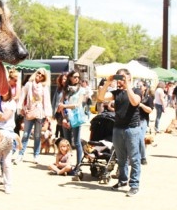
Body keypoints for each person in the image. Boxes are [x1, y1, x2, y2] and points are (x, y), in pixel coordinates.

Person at [97, 69, 142, 197]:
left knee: (134, 158)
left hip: (132, 128)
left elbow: (135, 101)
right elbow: (100, 98)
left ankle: (134, 184)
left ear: (129, 77)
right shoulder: (116, 93)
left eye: (122, 78)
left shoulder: (137, 91)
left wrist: (127, 85)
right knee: (120, 158)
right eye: (119, 78)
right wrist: (108, 82)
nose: (120, 81)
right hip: (118, 128)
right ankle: (122, 181)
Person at [17, 68, 52, 164]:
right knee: (25, 134)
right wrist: (20, 109)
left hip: (40, 114)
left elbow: (47, 102)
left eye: (42, 75)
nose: (40, 75)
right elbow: (22, 96)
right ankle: (20, 154)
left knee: (37, 135)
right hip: (29, 111)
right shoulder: (29, 84)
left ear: (44, 78)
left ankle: (36, 155)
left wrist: (48, 115)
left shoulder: (44, 87)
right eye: (39, 73)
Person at [59, 70, 86, 176]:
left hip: (76, 118)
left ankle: (78, 165)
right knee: (67, 143)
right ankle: (67, 165)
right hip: (66, 118)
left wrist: (65, 107)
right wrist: (64, 118)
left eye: (78, 77)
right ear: (70, 77)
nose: (77, 79)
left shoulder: (81, 90)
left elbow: (78, 104)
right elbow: (61, 104)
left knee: (77, 142)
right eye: (74, 77)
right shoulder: (65, 90)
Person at [137, 80, 153, 165]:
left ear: (145, 87)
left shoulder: (148, 98)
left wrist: (141, 105)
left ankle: (143, 157)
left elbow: (150, 110)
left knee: (140, 139)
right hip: (134, 121)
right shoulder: (135, 96)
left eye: (141, 86)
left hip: (143, 120)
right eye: (138, 86)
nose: (139, 87)